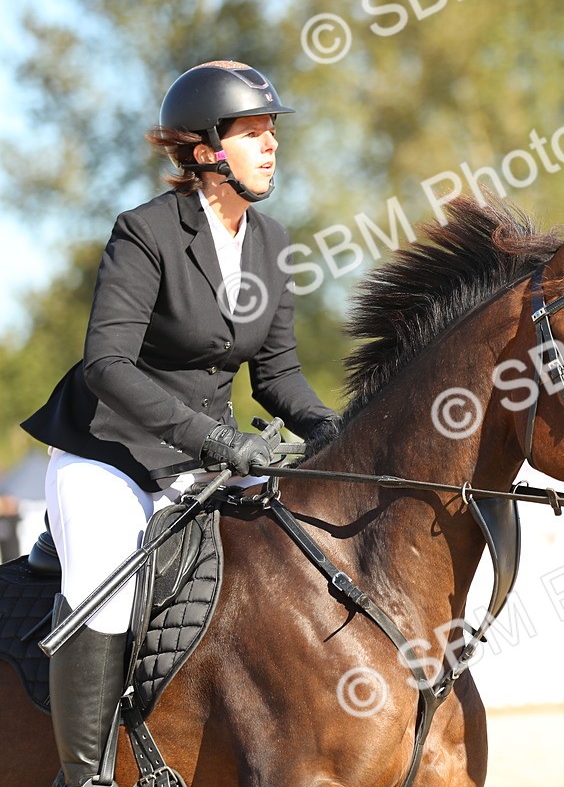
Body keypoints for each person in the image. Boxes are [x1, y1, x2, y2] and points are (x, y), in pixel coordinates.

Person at [21, 61, 338, 787]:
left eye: (272, 132)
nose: (272, 145)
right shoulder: (145, 232)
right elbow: (106, 363)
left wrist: (335, 429)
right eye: (254, 131)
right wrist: (220, 440)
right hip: (110, 450)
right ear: (206, 150)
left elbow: (279, 377)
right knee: (106, 569)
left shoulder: (272, 243)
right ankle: (85, 774)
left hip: (207, 457)